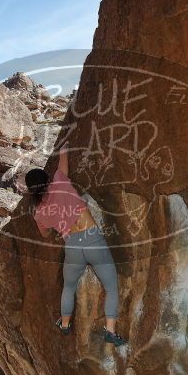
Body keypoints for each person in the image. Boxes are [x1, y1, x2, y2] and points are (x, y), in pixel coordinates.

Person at [25, 143, 126, 346]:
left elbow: (44, 234)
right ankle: (111, 331)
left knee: (69, 287)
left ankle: (64, 324)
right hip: (93, 240)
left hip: (72, 247)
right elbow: (64, 156)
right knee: (111, 287)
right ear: (46, 179)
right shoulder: (60, 182)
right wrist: (65, 144)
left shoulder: (38, 212)